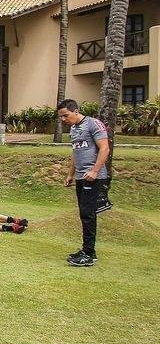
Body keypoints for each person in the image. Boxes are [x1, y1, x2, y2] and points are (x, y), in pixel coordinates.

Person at [58, 99, 111, 266]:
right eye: (61, 117)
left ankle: (89, 253)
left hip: (93, 177)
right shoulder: (74, 129)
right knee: (84, 213)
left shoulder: (93, 124)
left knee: (88, 214)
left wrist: (95, 171)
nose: (63, 119)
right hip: (81, 177)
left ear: (76, 111)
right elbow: (76, 152)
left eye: (65, 115)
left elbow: (105, 148)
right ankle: (87, 250)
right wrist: (70, 174)